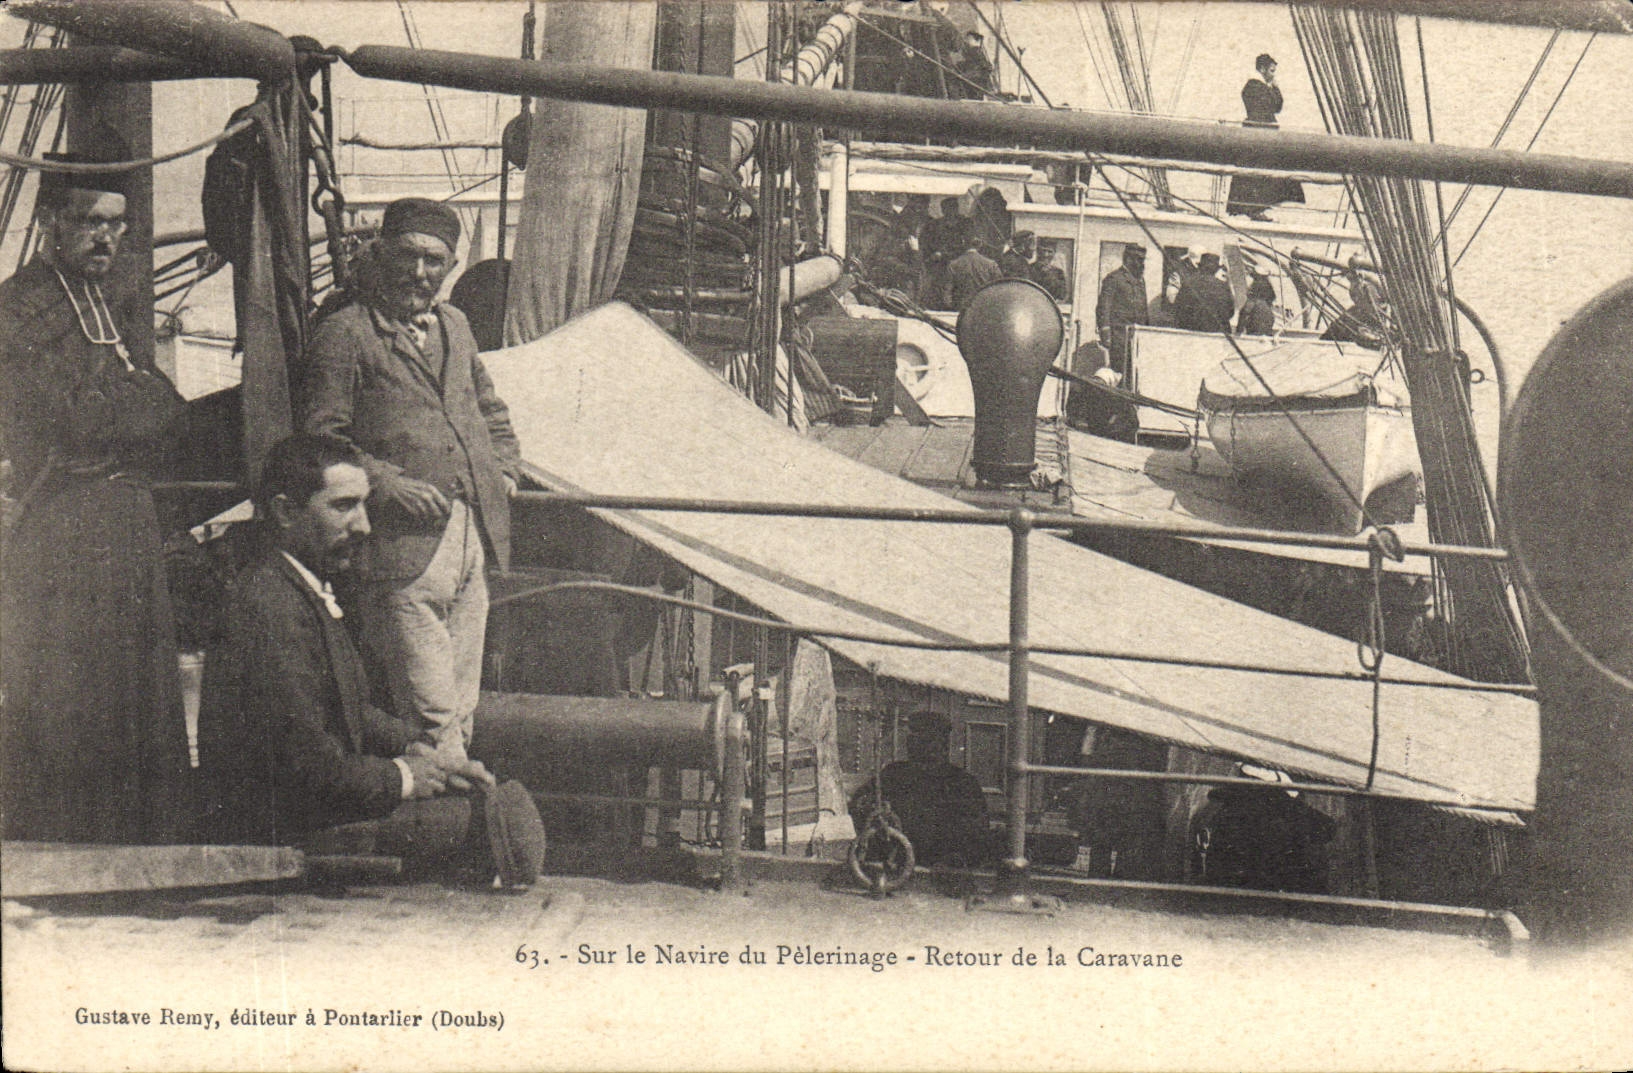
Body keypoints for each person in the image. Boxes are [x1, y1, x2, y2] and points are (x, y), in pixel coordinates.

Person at [195, 434, 546, 883]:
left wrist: (420, 750)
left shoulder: (300, 586)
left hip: (310, 811)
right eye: (342, 506)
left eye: (363, 505)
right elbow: (305, 768)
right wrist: (404, 777)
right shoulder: (269, 605)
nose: (362, 526)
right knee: (500, 820)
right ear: (285, 512)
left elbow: (350, 708)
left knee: (491, 803)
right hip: (279, 829)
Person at [0, 153, 193, 844]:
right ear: (51, 222)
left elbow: (169, 414)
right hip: (63, 522)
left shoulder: (107, 300)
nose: (105, 237)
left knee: (134, 689)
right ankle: (70, 840)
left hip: (122, 515)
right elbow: (77, 420)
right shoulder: (19, 309)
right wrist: (137, 397)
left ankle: (138, 840)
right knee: (69, 692)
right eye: (89, 221)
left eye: (116, 223)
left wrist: (136, 402)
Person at [300, 197, 525, 776]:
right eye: (408, 256)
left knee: (463, 705)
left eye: (435, 261)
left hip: (471, 537)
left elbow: (490, 410)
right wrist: (386, 484)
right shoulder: (345, 334)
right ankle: (452, 829)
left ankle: (446, 825)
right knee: (432, 712)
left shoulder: (456, 326)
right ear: (380, 254)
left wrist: (503, 472)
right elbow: (320, 438)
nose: (420, 273)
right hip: (398, 552)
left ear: (450, 266)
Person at [847, 712, 993, 867]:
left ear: (943, 744)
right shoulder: (893, 773)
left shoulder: (962, 783)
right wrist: (871, 808)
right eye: (912, 738)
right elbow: (860, 802)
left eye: (925, 740)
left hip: (940, 869)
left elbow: (976, 834)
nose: (912, 743)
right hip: (894, 864)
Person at [1226, 54, 1306, 220]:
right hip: (1258, 132)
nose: (1273, 74)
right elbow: (1269, 106)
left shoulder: (1263, 87)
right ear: (1262, 69)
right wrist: (1272, 89)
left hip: (1265, 131)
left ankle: (1259, 207)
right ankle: (1252, 208)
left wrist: (1274, 87)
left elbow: (1277, 107)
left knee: (1265, 169)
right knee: (1257, 169)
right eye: (1271, 70)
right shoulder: (1253, 86)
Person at [1094, 244, 1149, 379]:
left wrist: (1147, 333)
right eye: (1138, 259)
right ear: (1128, 259)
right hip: (1119, 337)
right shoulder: (1114, 279)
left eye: (1142, 260)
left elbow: (1144, 310)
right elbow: (1103, 307)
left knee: (1135, 375)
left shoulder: (1140, 281)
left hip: (1137, 338)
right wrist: (1105, 333)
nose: (1141, 264)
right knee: (1119, 373)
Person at [1173, 252, 1236, 333]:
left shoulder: (1188, 283)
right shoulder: (1223, 286)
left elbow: (1179, 307)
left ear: (1200, 267)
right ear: (1215, 269)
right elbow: (1230, 312)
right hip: (1216, 333)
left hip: (1191, 331)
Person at [944, 233, 1002, 311]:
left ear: (963, 243)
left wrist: (950, 306)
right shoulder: (991, 264)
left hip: (962, 308)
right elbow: (999, 289)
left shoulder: (954, 264)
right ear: (980, 245)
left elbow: (947, 291)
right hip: (984, 306)